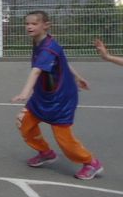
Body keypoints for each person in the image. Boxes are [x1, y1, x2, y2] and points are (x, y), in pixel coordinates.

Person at [12, 11, 102, 180]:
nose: (29, 27)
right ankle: (46, 153)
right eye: (27, 23)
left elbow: (36, 71)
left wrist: (24, 93)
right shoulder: (40, 41)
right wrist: (77, 77)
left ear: (46, 25)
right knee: (25, 124)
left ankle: (90, 162)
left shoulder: (48, 47)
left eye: (34, 23)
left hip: (60, 99)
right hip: (43, 95)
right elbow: (63, 61)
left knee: (64, 139)